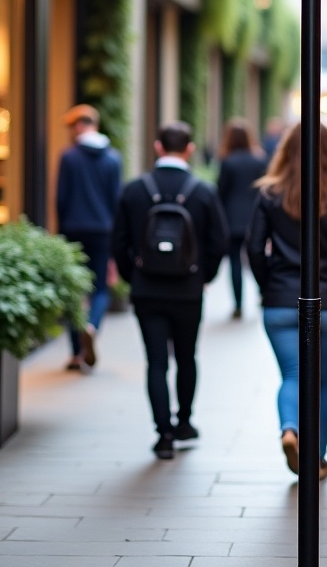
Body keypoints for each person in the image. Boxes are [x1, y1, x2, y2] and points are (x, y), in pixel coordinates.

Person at [246, 122, 327, 481]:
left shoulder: (268, 195)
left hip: (281, 303)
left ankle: (289, 429)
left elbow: (253, 248)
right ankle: (316, 458)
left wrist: (268, 285)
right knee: (324, 383)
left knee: (292, 375)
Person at [112, 121, 228, 460]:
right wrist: (204, 276)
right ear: (190, 149)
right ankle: (184, 422)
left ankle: (162, 434)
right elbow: (218, 242)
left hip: (147, 290)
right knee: (187, 357)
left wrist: (133, 277)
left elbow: (118, 241)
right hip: (188, 291)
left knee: (156, 362)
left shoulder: (134, 190)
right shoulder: (202, 191)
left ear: (157, 147)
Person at [56, 103, 122, 371]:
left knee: (75, 290)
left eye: (72, 127)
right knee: (100, 289)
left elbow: (61, 199)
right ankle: (92, 327)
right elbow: (116, 201)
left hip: (73, 231)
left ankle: (75, 353)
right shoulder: (113, 159)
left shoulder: (69, 157)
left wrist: (61, 233)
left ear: (80, 125)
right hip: (103, 231)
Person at [216, 118, 268, 318]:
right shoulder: (259, 160)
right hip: (256, 218)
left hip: (232, 220)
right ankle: (262, 292)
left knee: (235, 263)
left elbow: (221, 192)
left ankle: (238, 304)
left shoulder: (227, 161)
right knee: (257, 256)